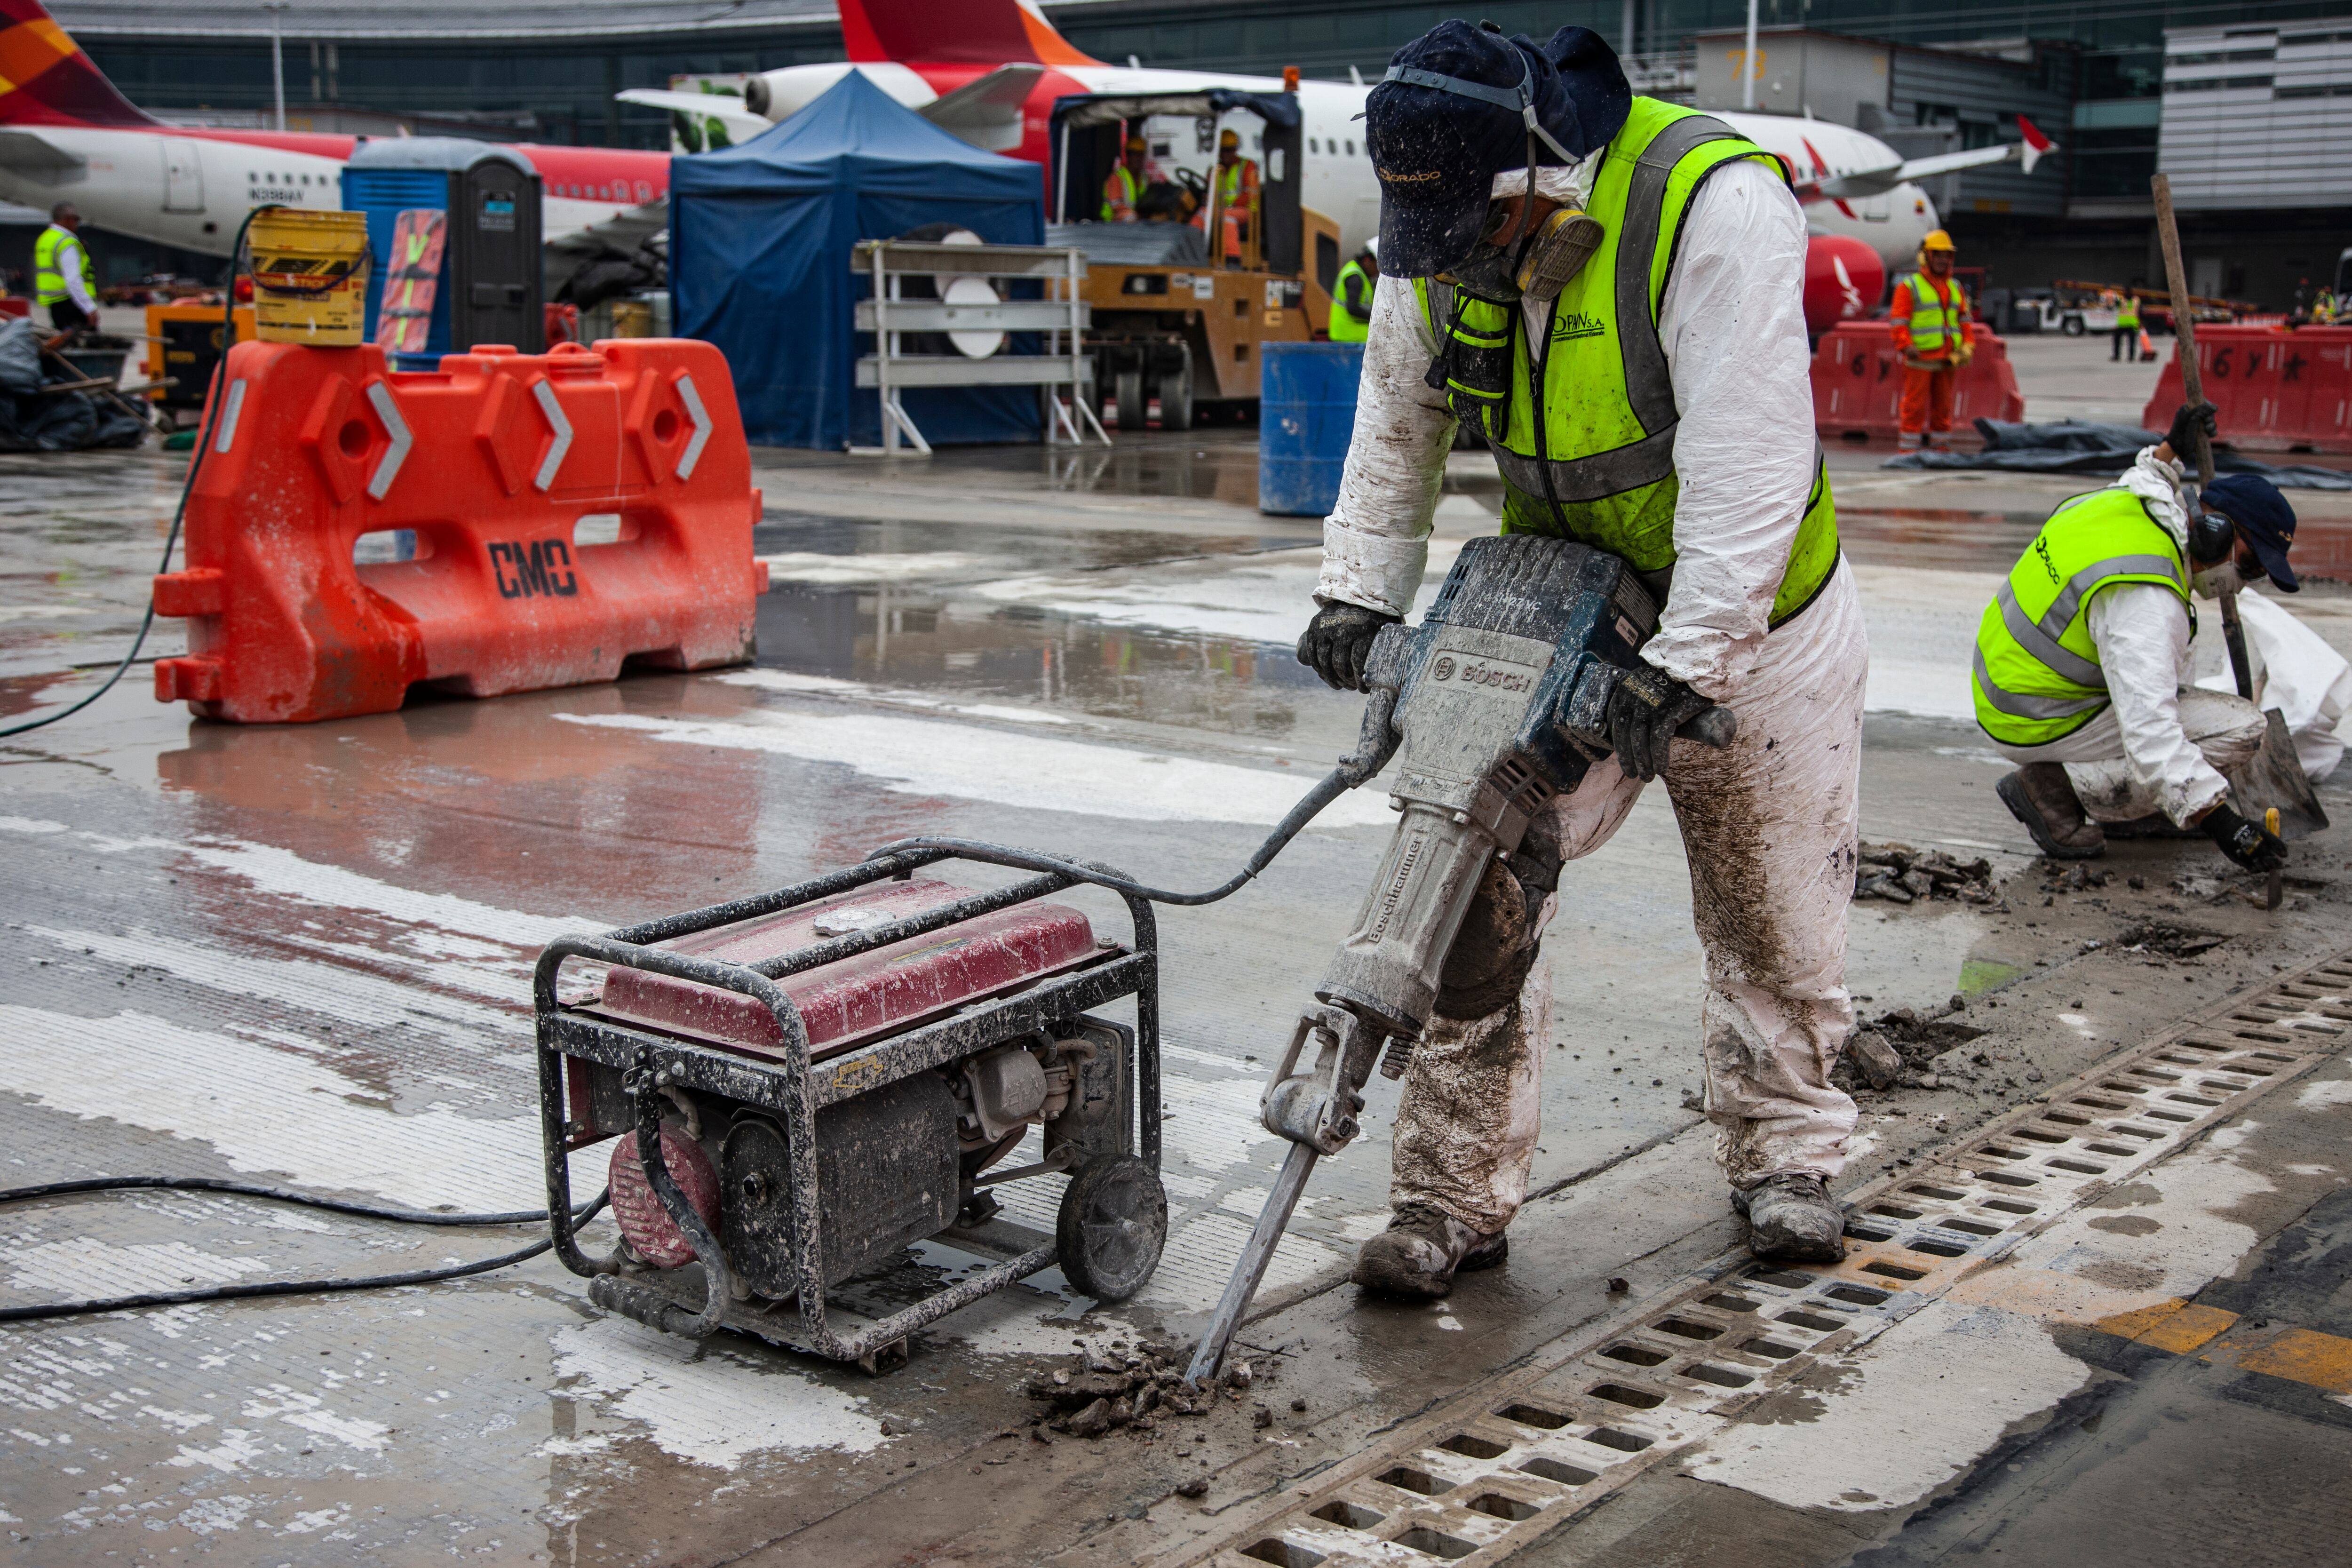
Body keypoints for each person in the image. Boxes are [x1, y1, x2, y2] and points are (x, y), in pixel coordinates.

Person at [1295, 19, 1868, 1293]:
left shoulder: (1708, 204)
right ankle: (1451, 1193)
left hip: (1757, 616)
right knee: (1469, 877)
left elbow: (1750, 456)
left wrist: (1695, 659)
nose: (1459, 271)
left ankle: (1786, 1155)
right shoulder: (1445, 224)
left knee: (1771, 909)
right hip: (1565, 600)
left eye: (1480, 241)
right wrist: (1355, 593)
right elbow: (1400, 420)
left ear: (1543, 176)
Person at [1977, 398, 2295, 876]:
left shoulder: (2134, 508)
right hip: (2036, 716)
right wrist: (2219, 821)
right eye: (2247, 564)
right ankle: (2056, 792)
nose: (2242, 581)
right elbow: (2150, 731)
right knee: (2238, 728)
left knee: (2171, 683)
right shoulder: (2144, 595)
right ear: (2211, 530)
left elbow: (2146, 477)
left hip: (2009, 685)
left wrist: (2170, 448)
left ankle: (2142, 795)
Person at [1889, 230, 1968, 451]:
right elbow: (1898, 321)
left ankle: (1940, 450)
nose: (1943, 260)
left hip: (1947, 358)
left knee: (1943, 408)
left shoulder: (1955, 287)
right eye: (1938, 254)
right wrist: (1906, 345)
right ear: (1926, 257)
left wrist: (1967, 345)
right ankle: (1908, 452)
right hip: (1920, 358)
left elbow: (1965, 319)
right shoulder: (1910, 286)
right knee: (1914, 407)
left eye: (1947, 255)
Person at [34, 202, 99, 337]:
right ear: (68, 219)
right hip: (72, 303)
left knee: (63, 344)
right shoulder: (67, 242)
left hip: (55, 304)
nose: (77, 223)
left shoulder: (45, 239)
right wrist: (89, 308)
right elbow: (73, 280)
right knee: (87, 345)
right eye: (77, 220)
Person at [1211, 126, 1259, 261]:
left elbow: (1251, 194)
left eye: (1229, 150)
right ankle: (1193, 253)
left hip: (1246, 211)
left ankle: (1232, 259)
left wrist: (1231, 205)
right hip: (1222, 210)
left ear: (1235, 149)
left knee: (1226, 218)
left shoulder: (1247, 166)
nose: (1226, 154)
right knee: (1202, 215)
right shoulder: (1215, 170)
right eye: (1223, 150)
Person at [1328, 238, 1377, 343]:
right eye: (1377, 265)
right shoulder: (1356, 278)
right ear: (1368, 260)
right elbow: (1353, 308)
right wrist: (1378, 317)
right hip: (1350, 338)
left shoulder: (1359, 274)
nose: (1378, 270)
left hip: (1350, 337)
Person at [1101, 135, 1150, 223]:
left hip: (1137, 220)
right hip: (1113, 223)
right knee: (1130, 216)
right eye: (1135, 155)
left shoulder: (1145, 179)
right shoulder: (1117, 177)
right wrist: (1137, 214)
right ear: (1128, 156)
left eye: (1141, 155)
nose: (1138, 159)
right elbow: (1116, 205)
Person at [2112, 290, 2141, 362]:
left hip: (2122, 325)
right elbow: (2140, 311)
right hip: (2132, 324)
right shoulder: (2136, 301)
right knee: (2132, 342)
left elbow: (2113, 305)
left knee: (2117, 341)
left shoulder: (2121, 301)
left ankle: (2116, 356)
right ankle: (2131, 357)